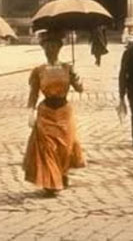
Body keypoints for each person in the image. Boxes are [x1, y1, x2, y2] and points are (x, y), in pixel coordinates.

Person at [23, 30, 85, 195]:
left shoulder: (67, 68)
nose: (50, 49)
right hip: (46, 113)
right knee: (48, 148)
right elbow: (33, 94)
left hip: (64, 112)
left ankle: (62, 173)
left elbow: (80, 89)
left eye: (54, 46)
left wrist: (77, 79)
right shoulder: (39, 71)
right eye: (47, 46)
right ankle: (50, 182)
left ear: (60, 47)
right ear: (43, 48)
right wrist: (30, 113)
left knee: (64, 148)